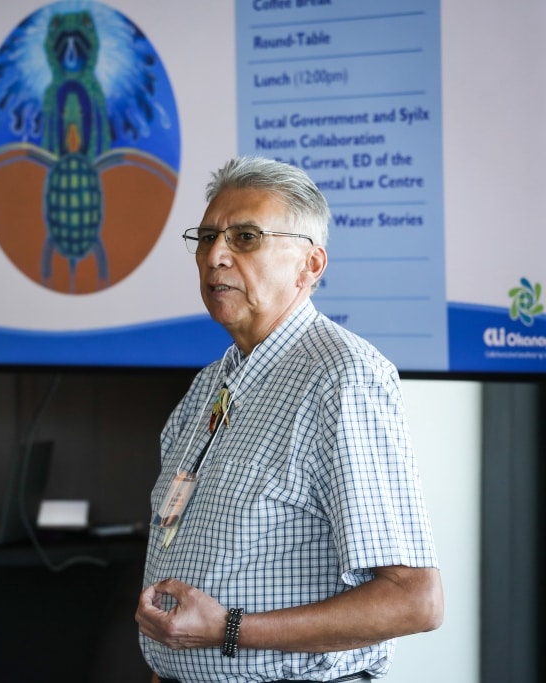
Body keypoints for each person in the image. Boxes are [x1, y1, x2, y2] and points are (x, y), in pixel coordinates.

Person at [135, 157, 443, 683]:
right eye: (207, 238)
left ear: (310, 264)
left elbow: (415, 600)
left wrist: (228, 629)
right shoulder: (209, 385)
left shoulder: (344, 379)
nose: (216, 256)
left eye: (245, 237)